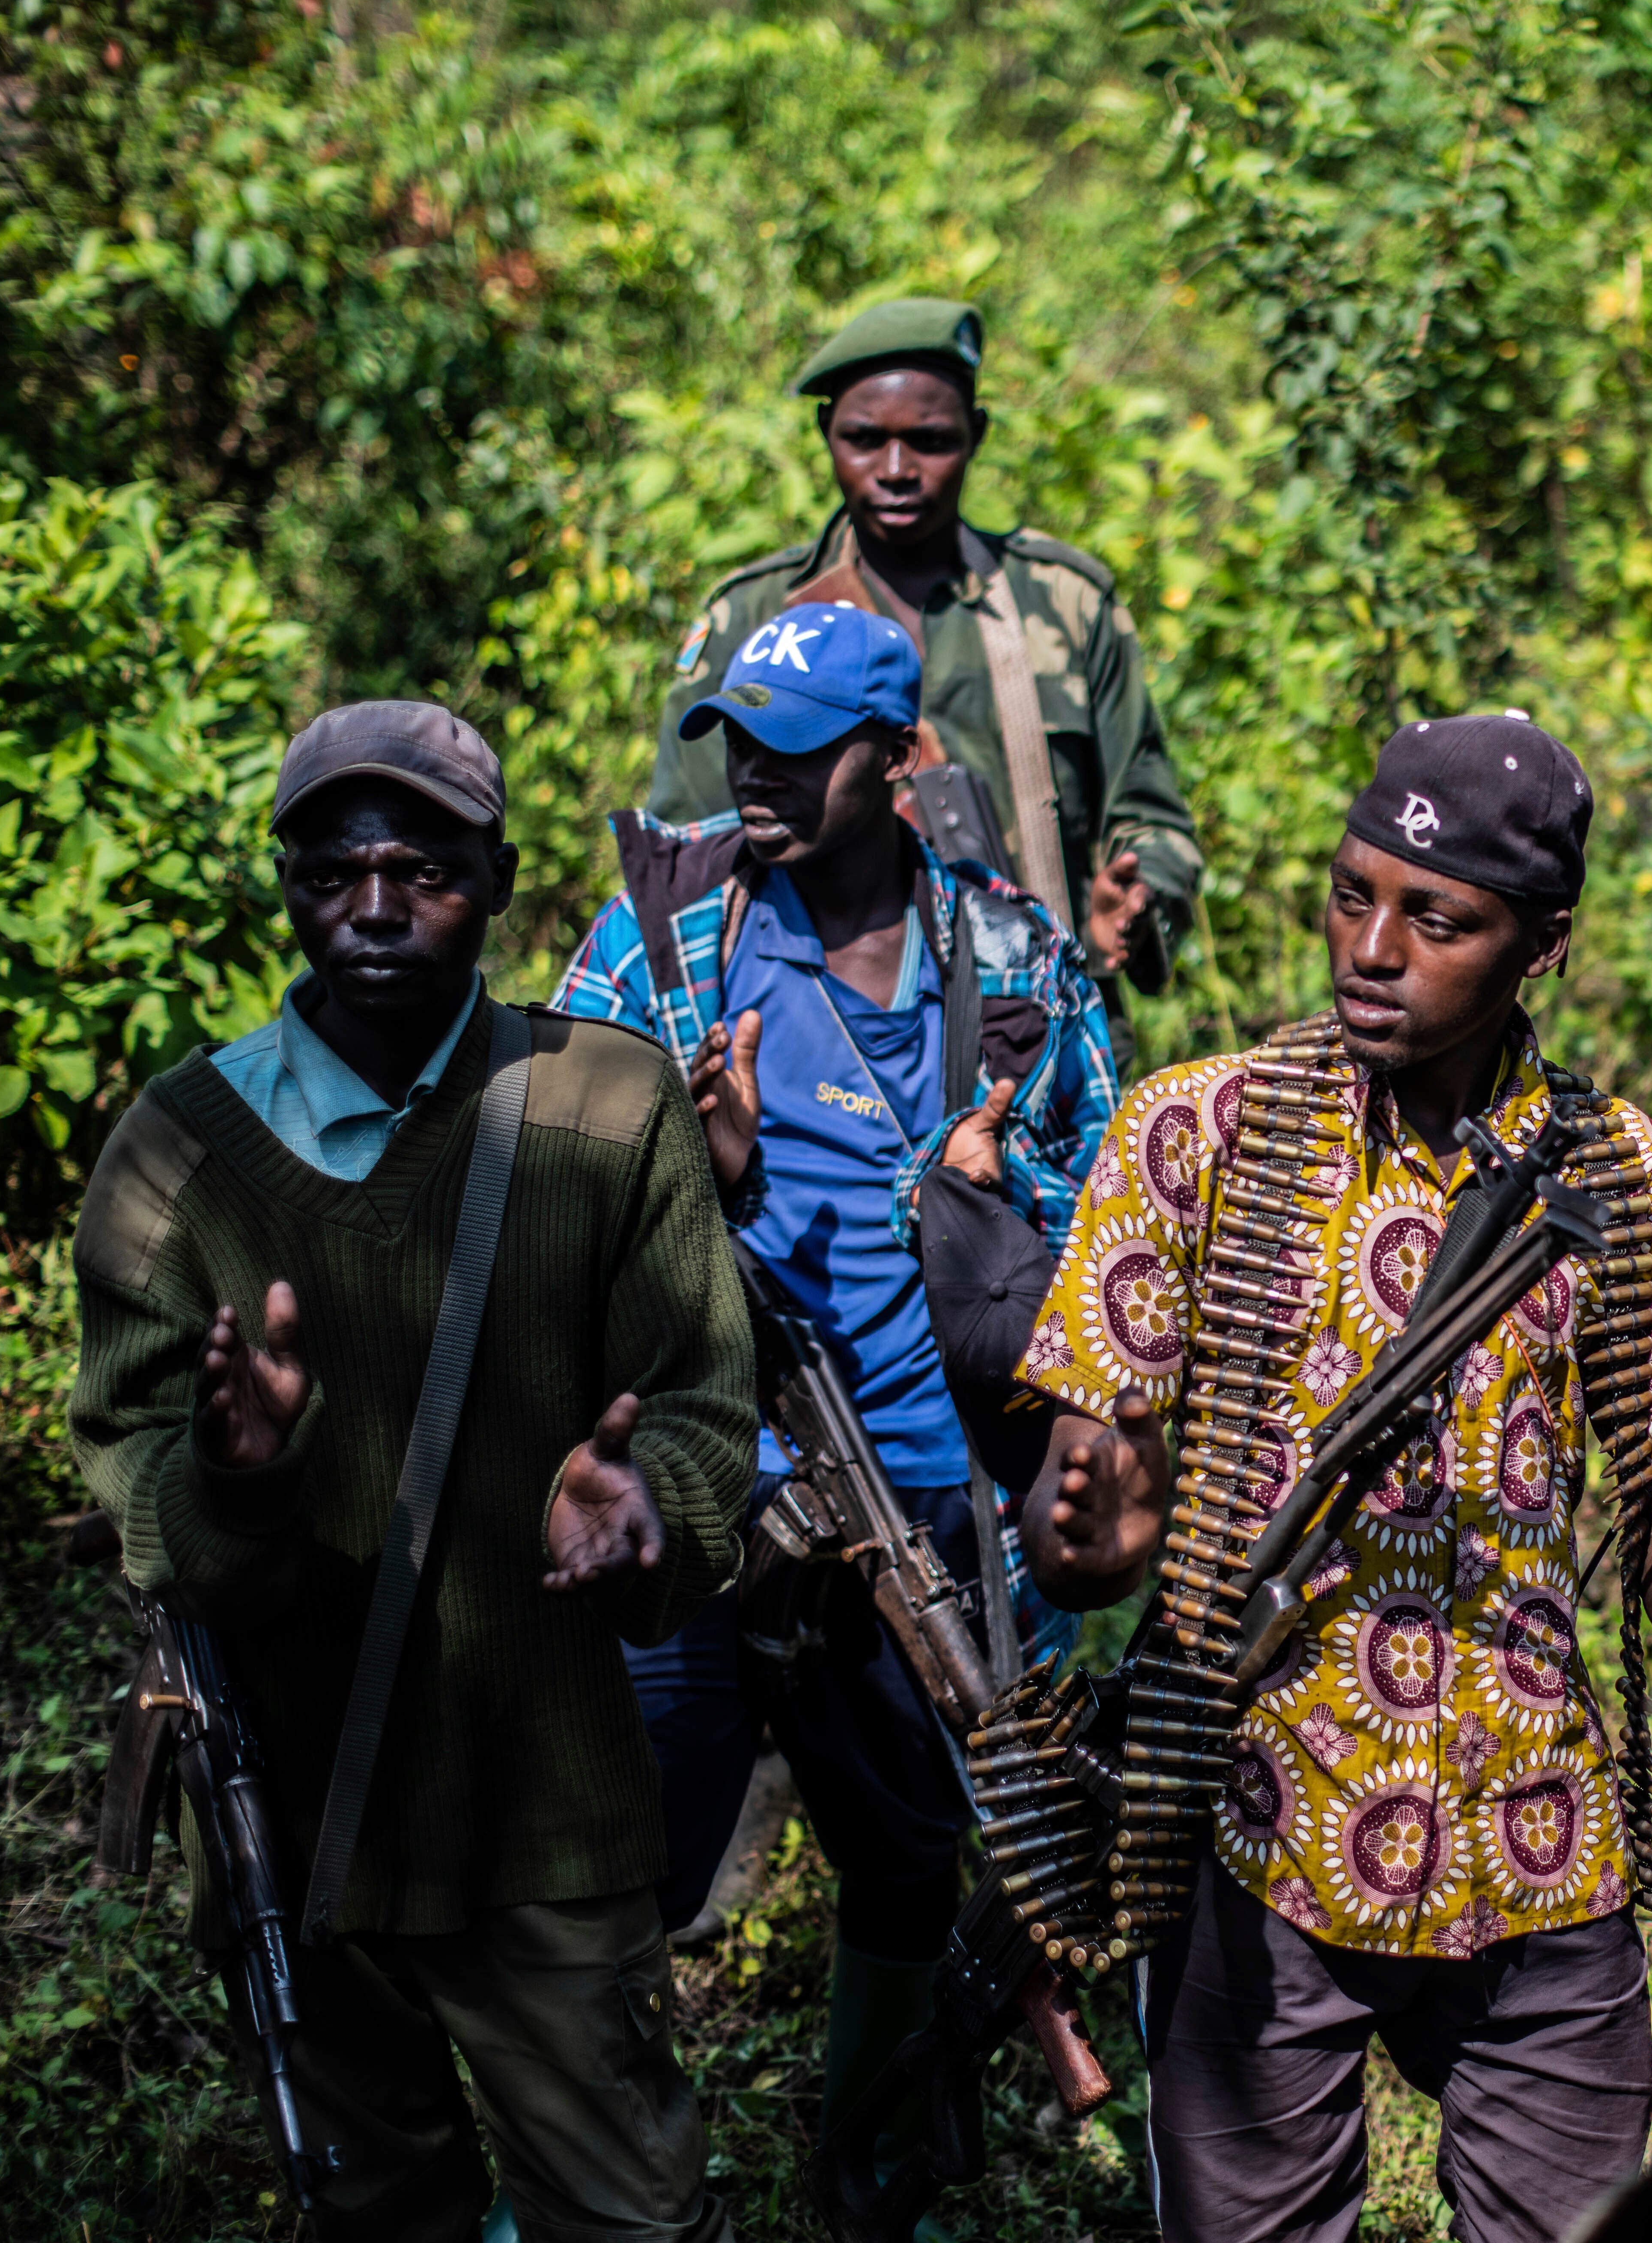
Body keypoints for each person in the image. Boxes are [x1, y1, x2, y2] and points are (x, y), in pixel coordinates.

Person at [1014, 712, 1652, 2243]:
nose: (1373, 947)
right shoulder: (1201, 1131)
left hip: (1539, 1839)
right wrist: (1095, 1532)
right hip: (1259, 1818)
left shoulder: (1607, 1169)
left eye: (1436, 920)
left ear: (1540, 946)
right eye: (1352, 896)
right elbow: (1082, 1513)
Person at [69, 701, 756, 2240]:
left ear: (501, 877)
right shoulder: (180, 1153)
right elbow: (135, 1491)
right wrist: (233, 1474)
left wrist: (652, 1512)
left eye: (424, 867)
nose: (375, 908)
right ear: (288, 881)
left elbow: (708, 1403)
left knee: (631, 2214)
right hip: (297, 1819)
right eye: (336, 868)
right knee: (378, 2207)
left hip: (546, 1808)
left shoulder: (606, 1103)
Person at [554, 601, 1118, 2160]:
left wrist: (998, 1201)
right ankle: (603, 2178)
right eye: (738, 742)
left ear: (896, 759)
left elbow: (1121, 1202)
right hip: (712, 1479)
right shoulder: (670, 938)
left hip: (940, 1503)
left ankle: (875, 2166)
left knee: (912, 1859)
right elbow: (540, 1191)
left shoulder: (1008, 954)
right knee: (628, 1859)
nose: (756, 777)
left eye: (798, 752)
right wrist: (693, 1168)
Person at [645, 297, 1204, 1056]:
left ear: (977, 435)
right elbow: (686, 857)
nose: (898, 471)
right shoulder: (756, 619)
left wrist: (1134, 909)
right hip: (806, 1041)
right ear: (826, 438)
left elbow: (1152, 817)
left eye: (931, 441)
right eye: (865, 441)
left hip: (1035, 1037)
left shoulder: (1067, 606)